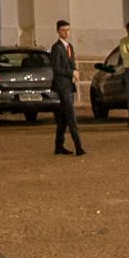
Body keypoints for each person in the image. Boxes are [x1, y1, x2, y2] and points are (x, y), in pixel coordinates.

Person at [49, 20, 85, 156]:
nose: (67, 33)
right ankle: (78, 147)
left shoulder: (70, 46)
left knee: (63, 119)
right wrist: (71, 72)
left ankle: (59, 146)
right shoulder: (56, 47)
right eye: (64, 30)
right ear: (58, 31)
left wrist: (75, 72)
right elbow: (56, 67)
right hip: (62, 86)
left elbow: (71, 63)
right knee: (71, 116)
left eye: (68, 30)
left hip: (69, 85)